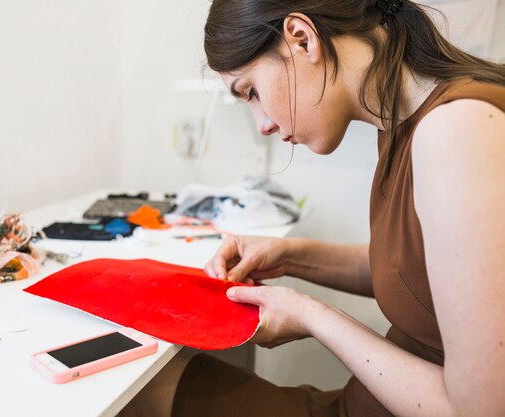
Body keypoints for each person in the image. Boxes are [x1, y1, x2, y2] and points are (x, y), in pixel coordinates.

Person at [120, 0, 505, 416]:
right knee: (148, 379)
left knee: (138, 392)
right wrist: (292, 256)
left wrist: (312, 316)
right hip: (360, 403)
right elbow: (418, 273)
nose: (262, 124)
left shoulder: (456, 133)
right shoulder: (402, 126)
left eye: (252, 91)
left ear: (302, 39)